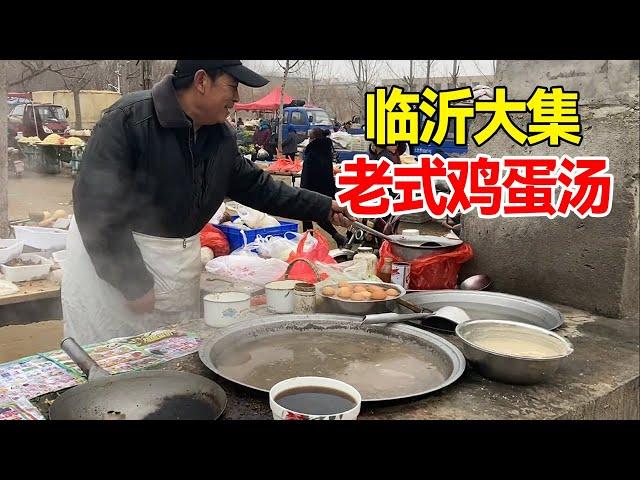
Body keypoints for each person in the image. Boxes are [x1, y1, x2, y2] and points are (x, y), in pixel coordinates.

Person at [63, 60, 353, 344]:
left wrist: (323, 206)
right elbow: (95, 206)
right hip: (117, 260)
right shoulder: (130, 120)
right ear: (201, 81)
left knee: (171, 352)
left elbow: (258, 187)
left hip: (177, 259)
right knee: (111, 355)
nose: (237, 97)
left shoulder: (219, 136)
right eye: (232, 86)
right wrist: (131, 282)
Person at [301, 127, 347, 247]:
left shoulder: (312, 153)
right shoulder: (325, 151)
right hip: (325, 188)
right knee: (317, 215)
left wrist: (302, 190)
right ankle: (335, 237)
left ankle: (309, 240)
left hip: (311, 188)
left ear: (313, 139)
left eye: (310, 137)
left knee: (307, 215)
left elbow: (307, 175)